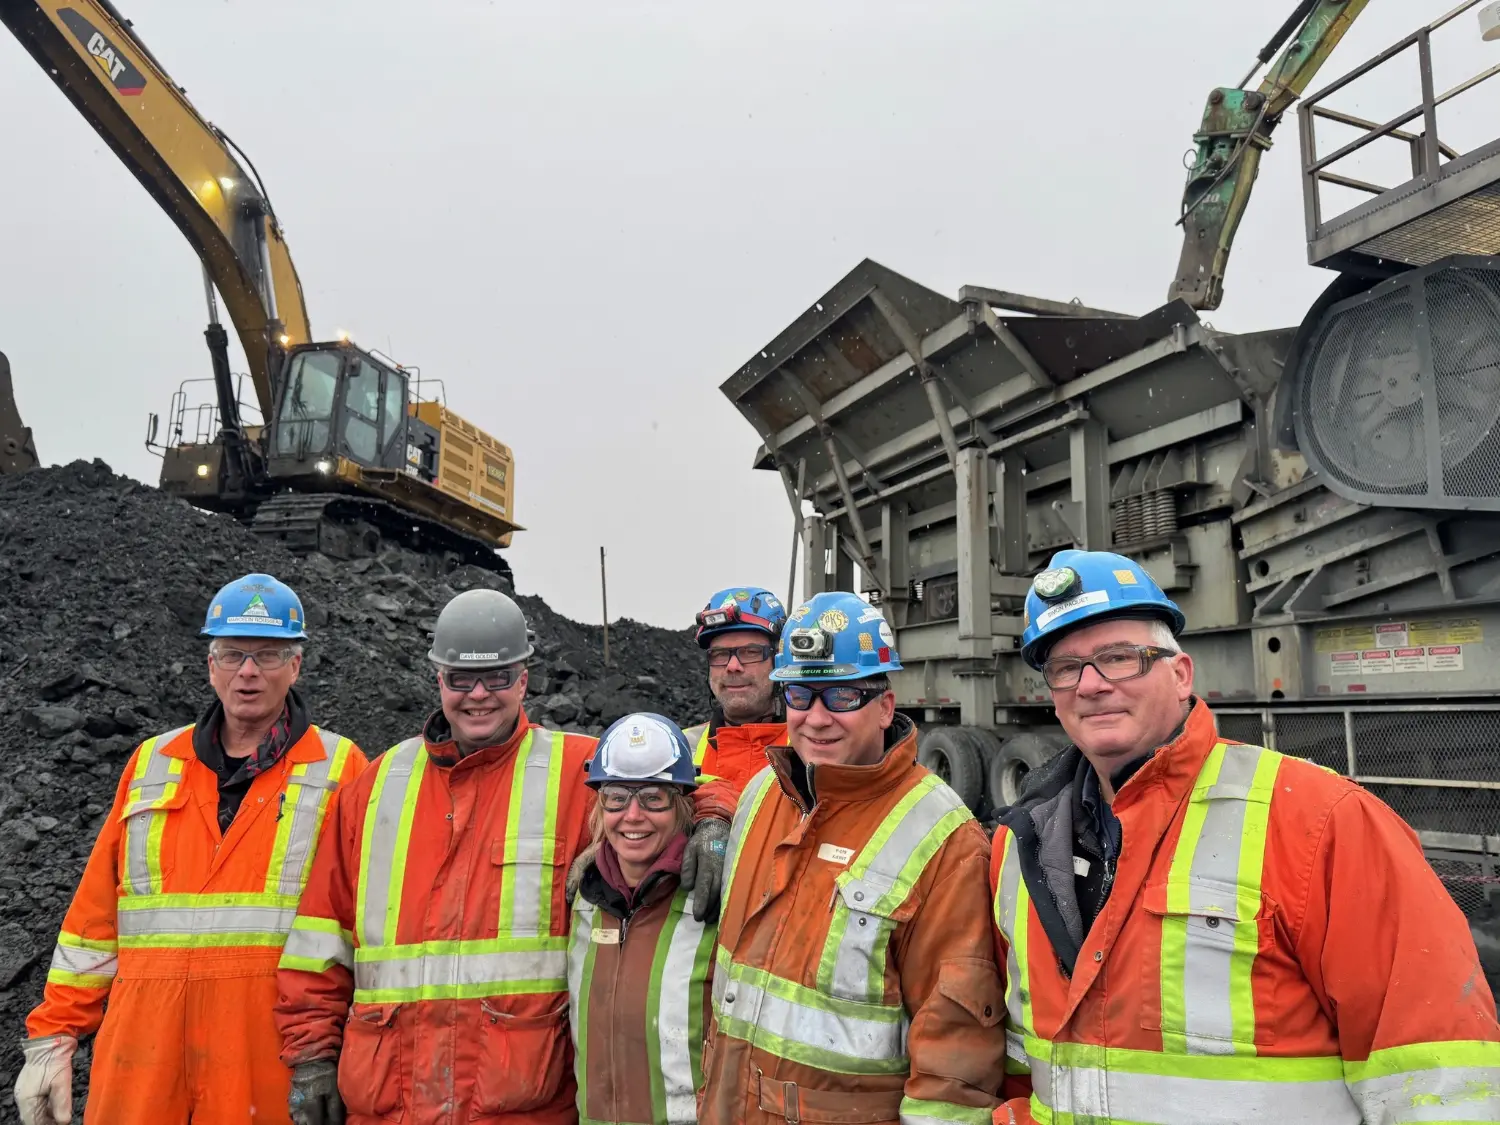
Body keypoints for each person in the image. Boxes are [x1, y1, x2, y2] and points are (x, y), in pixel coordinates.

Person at [991, 549, 1500, 1125]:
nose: (1091, 684)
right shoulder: (1018, 848)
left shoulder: (1320, 820)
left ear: (1181, 674)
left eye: (1119, 658)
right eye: (1067, 667)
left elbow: (1438, 1072)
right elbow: (1022, 1055)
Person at [274, 587, 736, 1125]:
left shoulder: (574, 771)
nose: (478, 695)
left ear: (523, 679)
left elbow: (679, 783)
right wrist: (311, 1053)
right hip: (391, 1100)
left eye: (497, 678)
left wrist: (713, 818)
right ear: (438, 680)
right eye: (460, 679)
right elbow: (320, 936)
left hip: (520, 1102)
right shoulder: (375, 787)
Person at [13, 574, 366, 1125]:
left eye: (268, 655)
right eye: (232, 654)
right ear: (210, 665)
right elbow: (94, 919)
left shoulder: (341, 768)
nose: (248, 671)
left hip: (266, 1055)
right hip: (141, 1056)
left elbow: (360, 925)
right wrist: (55, 1036)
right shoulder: (152, 763)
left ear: (295, 666)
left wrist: (329, 1053)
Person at [700, 591, 1007, 1125]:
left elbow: (953, 1059)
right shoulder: (760, 796)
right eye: (800, 695)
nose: (816, 719)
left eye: (841, 695)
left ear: (885, 707)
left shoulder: (944, 837)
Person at [566, 712, 716, 1125]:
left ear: (682, 804)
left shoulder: (714, 898)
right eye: (616, 797)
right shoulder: (584, 900)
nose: (633, 816)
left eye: (653, 797)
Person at [681, 586, 788, 791]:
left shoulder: (814, 747)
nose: (732, 666)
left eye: (750, 652)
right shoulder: (679, 751)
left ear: (779, 660)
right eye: (719, 654)